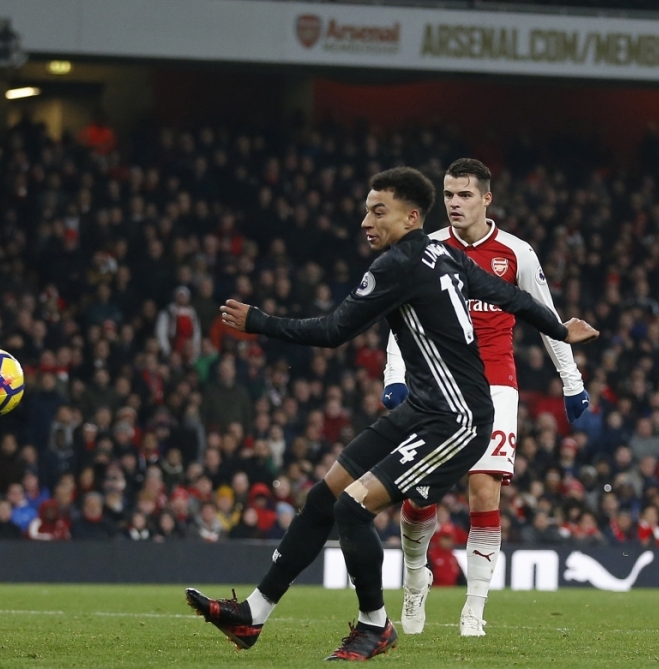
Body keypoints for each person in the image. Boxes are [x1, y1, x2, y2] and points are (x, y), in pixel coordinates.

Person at [184, 167, 598, 661]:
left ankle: (375, 626)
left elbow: (334, 330)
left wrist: (260, 322)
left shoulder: (397, 265)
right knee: (324, 498)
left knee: (352, 509)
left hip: (457, 418)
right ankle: (253, 614)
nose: (366, 220)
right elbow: (507, 295)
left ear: (410, 216)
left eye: (377, 211)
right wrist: (557, 325)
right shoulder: (443, 254)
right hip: (423, 408)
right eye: (366, 209)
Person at [381, 158, 589, 637]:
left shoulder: (517, 253)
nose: (455, 203)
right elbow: (398, 313)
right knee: (419, 496)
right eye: (449, 195)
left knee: (483, 490)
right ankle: (416, 581)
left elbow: (547, 318)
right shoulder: (425, 248)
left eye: (465, 195)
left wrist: (572, 381)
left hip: (496, 384)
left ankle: (473, 609)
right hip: (437, 383)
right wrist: (394, 375)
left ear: (486, 199)